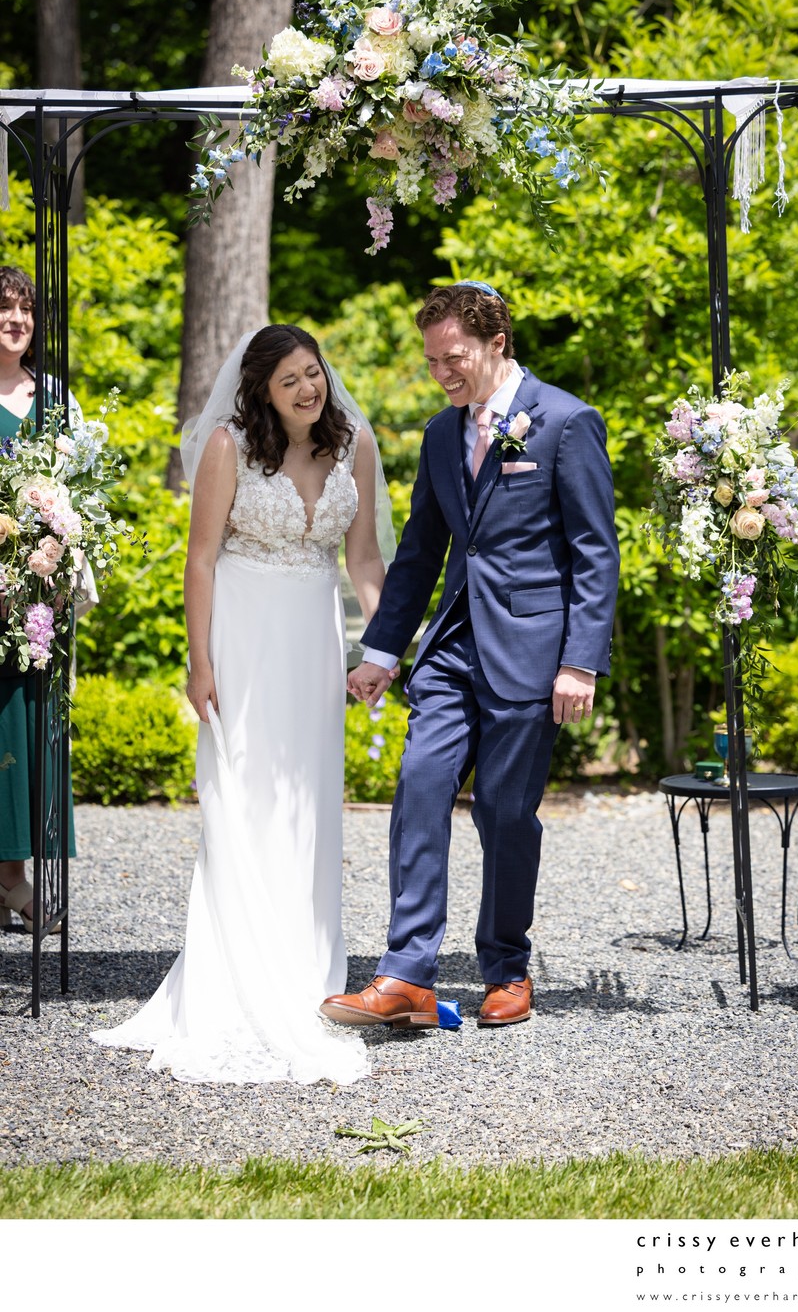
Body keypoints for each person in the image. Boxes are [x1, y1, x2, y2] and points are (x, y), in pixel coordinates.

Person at [92, 325, 391, 1084]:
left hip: (313, 640)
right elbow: (200, 558)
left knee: (309, 798)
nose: (307, 388)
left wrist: (383, 646)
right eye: (289, 379)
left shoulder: (355, 445)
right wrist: (201, 663)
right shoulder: (228, 447)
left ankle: (303, 964)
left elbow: (362, 556)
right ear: (261, 388)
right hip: (245, 636)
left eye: (313, 372)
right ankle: (234, 972)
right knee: (243, 793)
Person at [321, 282, 620, 1031]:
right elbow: (422, 551)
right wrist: (381, 650)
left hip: (532, 652)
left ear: (496, 343)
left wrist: (580, 661)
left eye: (452, 357)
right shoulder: (438, 434)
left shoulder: (567, 421)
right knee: (420, 784)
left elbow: (595, 552)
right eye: (431, 360)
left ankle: (507, 967)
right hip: (453, 646)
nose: (441, 373)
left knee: (505, 813)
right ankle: (407, 974)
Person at [0, 265, 76, 934]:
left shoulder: (54, 398)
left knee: (27, 727)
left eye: (25, 308)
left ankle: (13, 876)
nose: (17, 319)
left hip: (37, 591)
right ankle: (8, 883)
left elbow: (77, 485)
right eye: (4, 309)